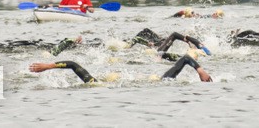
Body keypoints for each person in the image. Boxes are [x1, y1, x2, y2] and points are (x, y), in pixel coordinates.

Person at [29, 54, 213, 83]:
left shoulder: (92, 83)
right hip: (157, 83)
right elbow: (73, 65)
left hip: (154, 83)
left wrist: (47, 66)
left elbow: (73, 65)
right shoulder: (94, 83)